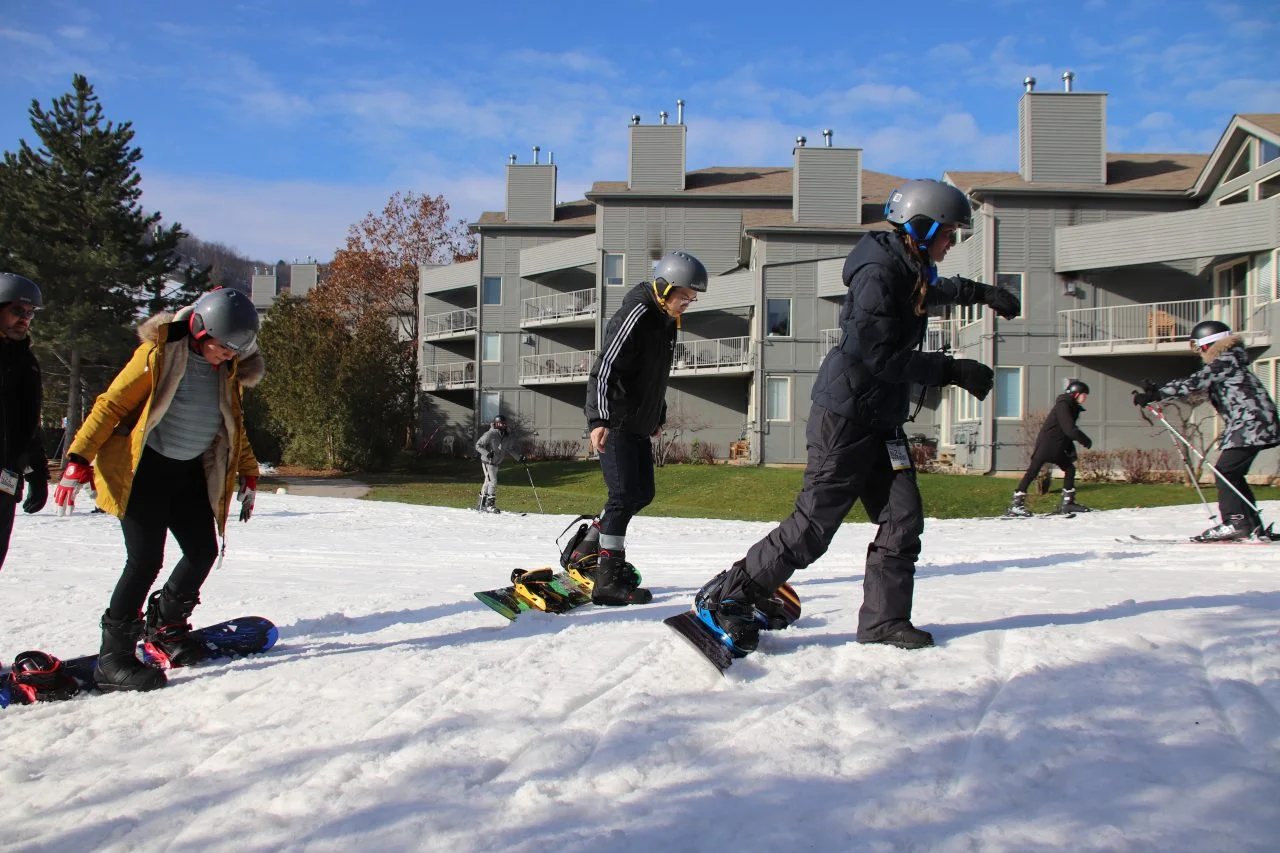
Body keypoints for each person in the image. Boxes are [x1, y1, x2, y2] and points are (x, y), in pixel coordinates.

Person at [692, 179, 1021, 653]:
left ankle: (885, 621)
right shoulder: (878, 273)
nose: (952, 243)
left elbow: (933, 289)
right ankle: (730, 595)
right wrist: (952, 369)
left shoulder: (911, 264)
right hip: (845, 416)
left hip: (881, 419)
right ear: (923, 228)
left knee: (903, 519)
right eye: (949, 233)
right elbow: (878, 357)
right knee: (812, 528)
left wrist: (983, 293)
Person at [52, 288, 264, 691]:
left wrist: (249, 472)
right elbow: (110, 404)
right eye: (222, 348)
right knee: (145, 561)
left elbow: (234, 428)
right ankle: (112, 659)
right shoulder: (159, 355)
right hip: (144, 471)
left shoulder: (229, 370)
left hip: (188, 474)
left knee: (202, 550)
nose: (227, 356)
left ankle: (166, 627)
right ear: (200, 332)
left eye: (236, 350)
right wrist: (78, 458)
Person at [577, 250, 708, 606]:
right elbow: (605, 367)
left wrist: (657, 415)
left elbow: (654, 377)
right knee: (622, 497)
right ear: (665, 288)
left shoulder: (666, 322)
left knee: (641, 494)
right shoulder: (637, 313)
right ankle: (607, 579)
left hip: (638, 423)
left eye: (691, 299)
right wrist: (599, 419)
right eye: (684, 296)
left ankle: (584, 550)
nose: (687, 304)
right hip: (615, 421)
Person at [1133, 319, 1280, 542]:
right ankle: (1250, 525)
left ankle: (1236, 522)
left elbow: (1197, 381)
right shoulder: (1230, 364)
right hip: (1254, 424)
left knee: (1226, 472)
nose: (1198, 352)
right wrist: (1160, 394)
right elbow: (1200, 389)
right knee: (1232, 474)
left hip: (1251, 424)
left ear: (1208, 344)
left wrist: (1159, 394)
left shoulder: (1225, 361)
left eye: (1198, 346)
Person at [0, 272, 50, 570]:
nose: (25, 319)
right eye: (17, 311)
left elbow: (29, 423)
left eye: (30, 313)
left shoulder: (26, 361)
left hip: (5, 479)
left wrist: (38, 473)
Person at [1006, 380, 1093, 517]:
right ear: (1076, 394)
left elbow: (1065, 431)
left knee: (1069, 469)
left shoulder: (1071, 406)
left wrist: (1070, 449)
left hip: (1057, 446)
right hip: (1047, 444)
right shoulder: (1063, 406)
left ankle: (1068, 503)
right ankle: (1016, 505)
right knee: (1033, 472)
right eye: (1084, 395)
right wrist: (1085, 440)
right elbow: (1069, 429)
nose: (1085, 398)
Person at [474, 415, 511, 513]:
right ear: (496, 424)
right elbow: (478, 445)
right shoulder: (490, 433)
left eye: (504, 424)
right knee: (493, 481)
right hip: (487, 461)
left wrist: (520, 458)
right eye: (501, 423)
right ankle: (490, 505)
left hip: (496, 462)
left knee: (487, 482)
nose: (503, 425)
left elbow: (509, 449)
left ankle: (480, 504)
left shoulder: (505, 435)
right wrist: (487, 453)